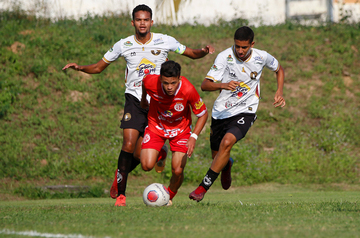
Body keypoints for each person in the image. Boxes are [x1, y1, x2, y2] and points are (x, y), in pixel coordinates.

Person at [62, 4, 214, 206]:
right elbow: (99, 67)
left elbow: (191, 53)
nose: (142, 23)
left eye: (146, 19)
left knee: (140, 157)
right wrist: (80, 67)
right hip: (135, 99)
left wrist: (203, 51)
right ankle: (121, 193)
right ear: (132, 22)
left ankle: (142, 161)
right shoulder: (123, 44)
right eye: (138, 19)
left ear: (152, 22)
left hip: (160, 103)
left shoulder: (164, 40)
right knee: (128, 144)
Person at [189, 26, 286, 202]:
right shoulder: (224, 57)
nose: (240, 51)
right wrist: (223, 85)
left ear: (252, 44)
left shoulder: (261, 56)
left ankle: (202, 188)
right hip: (221, 112)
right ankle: (227, 165)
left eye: (244, 47)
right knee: (217, 156)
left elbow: (279, 69)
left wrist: (279, 91)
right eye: (237, 46)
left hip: (246, 110)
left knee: (227, 142)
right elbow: (204, 85)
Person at [140, 60, 208, 206]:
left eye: (173, 83)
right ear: (160, 78)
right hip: (156, 126)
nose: (169, 87)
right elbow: (144, 84)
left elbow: (203, 114)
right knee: (146, 165)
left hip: (181, 131)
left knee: (177, 170)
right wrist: (143, 100)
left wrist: (193, 137)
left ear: (179, 78)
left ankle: (168, 196)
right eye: (165, 83)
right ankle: (161, 153)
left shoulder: (188, 90)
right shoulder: (151, 82)